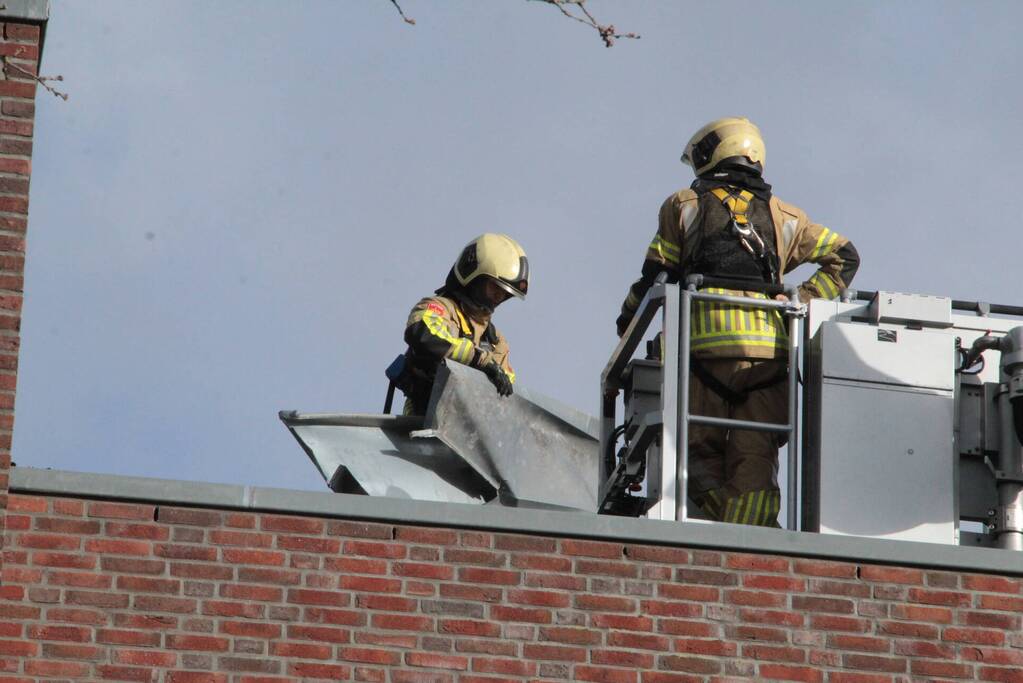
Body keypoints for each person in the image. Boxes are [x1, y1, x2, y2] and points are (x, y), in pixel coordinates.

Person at [616, 117, 859, 527]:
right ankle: (754, 546)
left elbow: (656, 276)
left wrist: (628, 323)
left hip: (704, 360)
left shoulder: (684, 206)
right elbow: (846, 257)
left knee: (693, 456)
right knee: (755, 463)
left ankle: (727, 530)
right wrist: (803, 297)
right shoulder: (788, 218)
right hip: (768, 362)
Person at [397, 233, 528, 415]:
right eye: (495, 288)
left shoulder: (495, 341)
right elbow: (423, 335)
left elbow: (507, 392)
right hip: (421, 422)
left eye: (505, 294)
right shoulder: (439, 308)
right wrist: (480, 361)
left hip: (470, 434)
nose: (499, 297)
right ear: (473, 276)